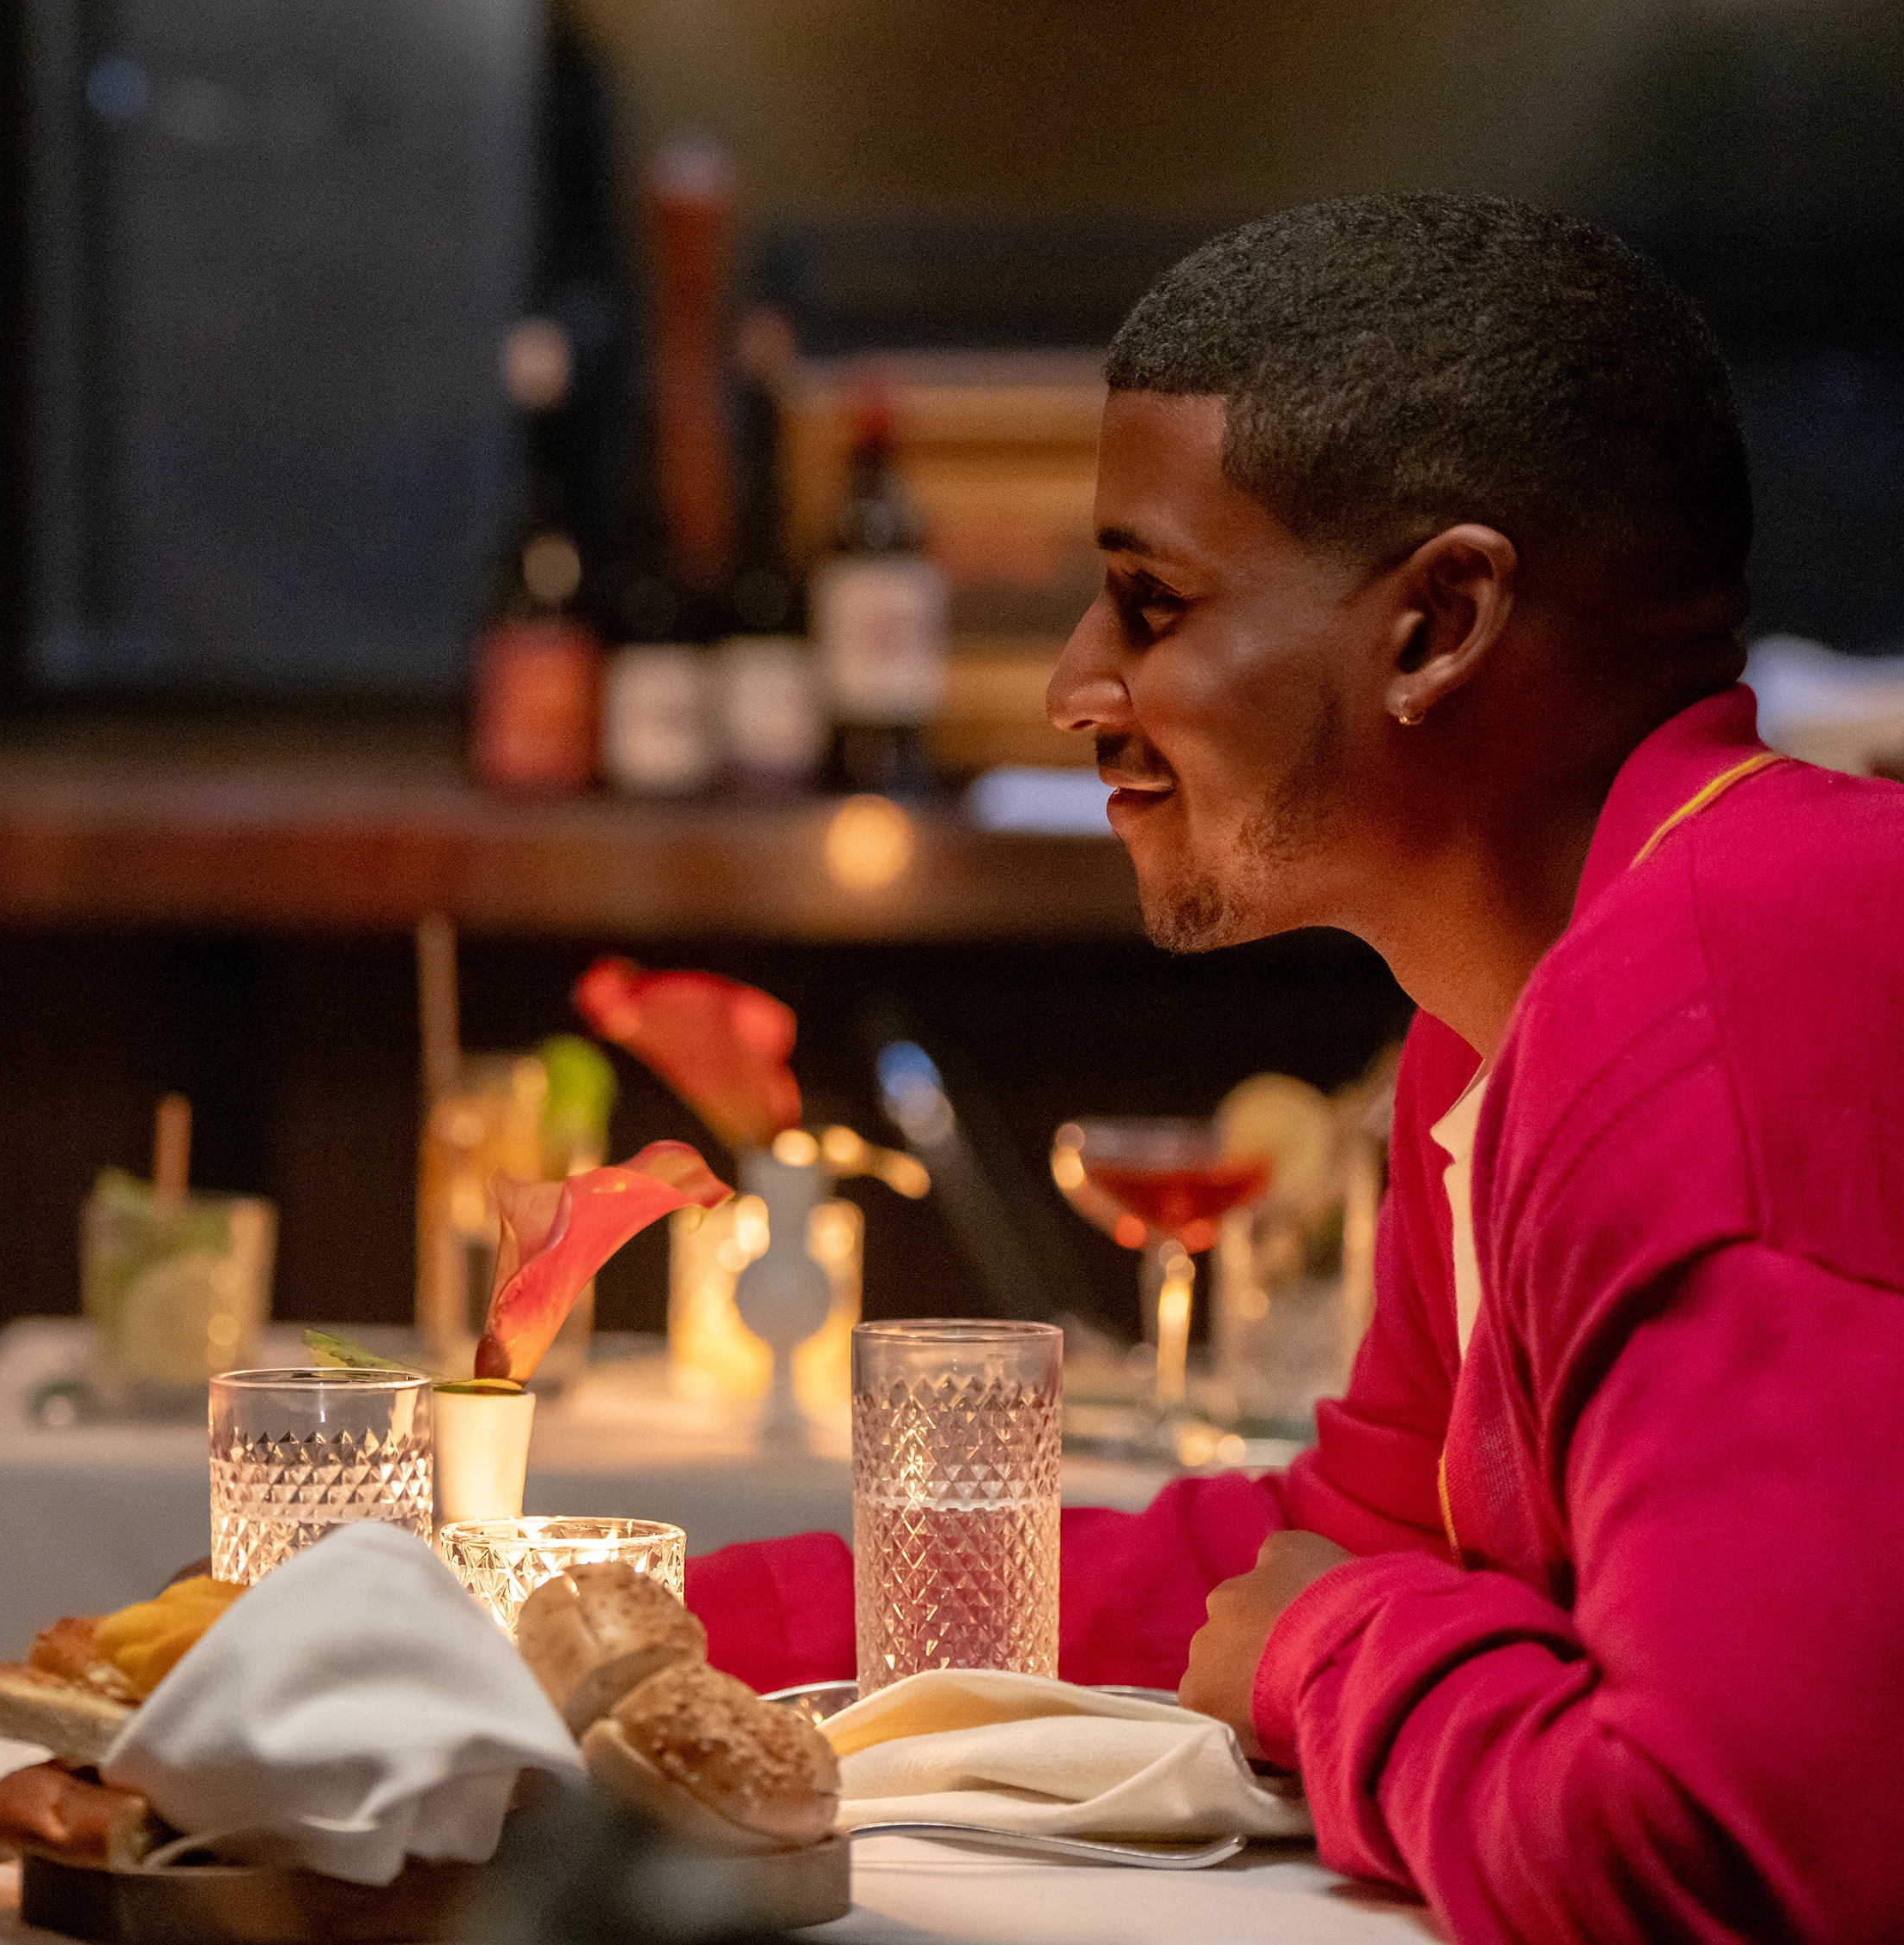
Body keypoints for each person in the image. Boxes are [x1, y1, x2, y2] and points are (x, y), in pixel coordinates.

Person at [683, 195, 1904, 1941]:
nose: (1072, 688)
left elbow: (1709, 1865)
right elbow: (1323, 1545)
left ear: (1437, 624)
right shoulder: (1502, 1028)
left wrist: (1331, 1652)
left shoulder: (1725, 1002)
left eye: (1148, 602)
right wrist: (646, 1621)